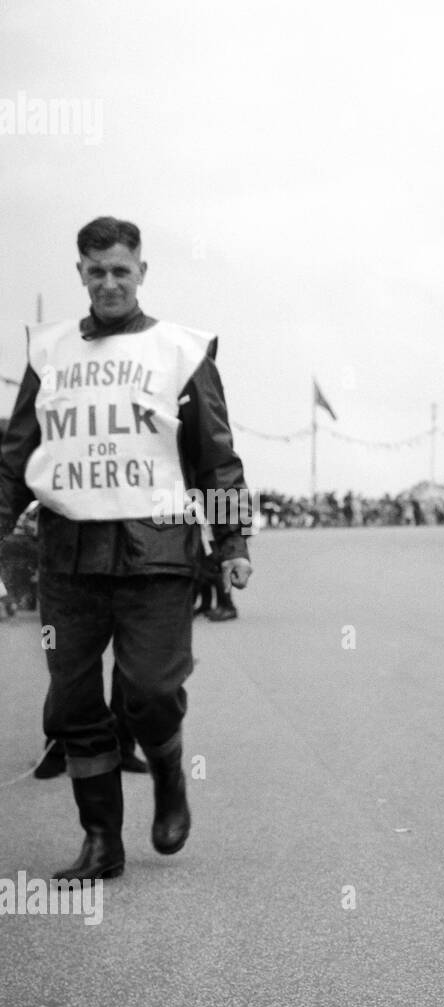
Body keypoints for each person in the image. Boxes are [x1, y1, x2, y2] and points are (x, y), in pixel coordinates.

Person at [0, 216, 252, 879]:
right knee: (73, 703)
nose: (109, 282)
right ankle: (101, 842)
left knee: (150, 692)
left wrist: (232, 541)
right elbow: (15, 459)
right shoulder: (48, 353)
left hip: (157, 555)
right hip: (68, 559)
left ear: (142, 271)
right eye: (96, 271)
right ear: (80, 273)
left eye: (121, 269)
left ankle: (168, 774)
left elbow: (216, 458)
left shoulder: (181, 351)